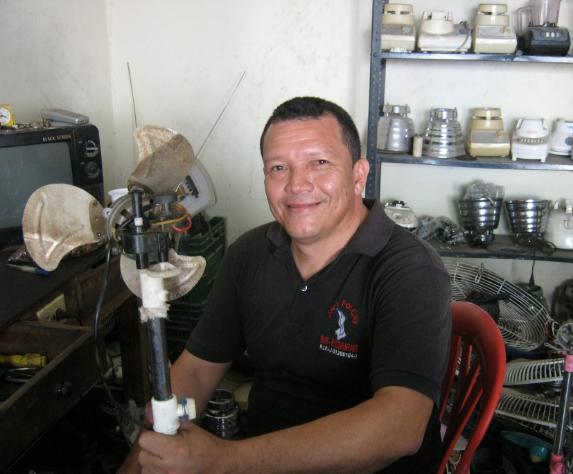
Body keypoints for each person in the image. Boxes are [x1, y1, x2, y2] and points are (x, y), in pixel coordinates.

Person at [119, 96, 451, 473]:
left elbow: (399, 427)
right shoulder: (249, 254)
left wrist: (222, 460)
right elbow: (196, 370)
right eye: (278, 168)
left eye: (319, 163)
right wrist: (146, 455)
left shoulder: (410, 270)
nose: (297, 184)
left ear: (358, 175)